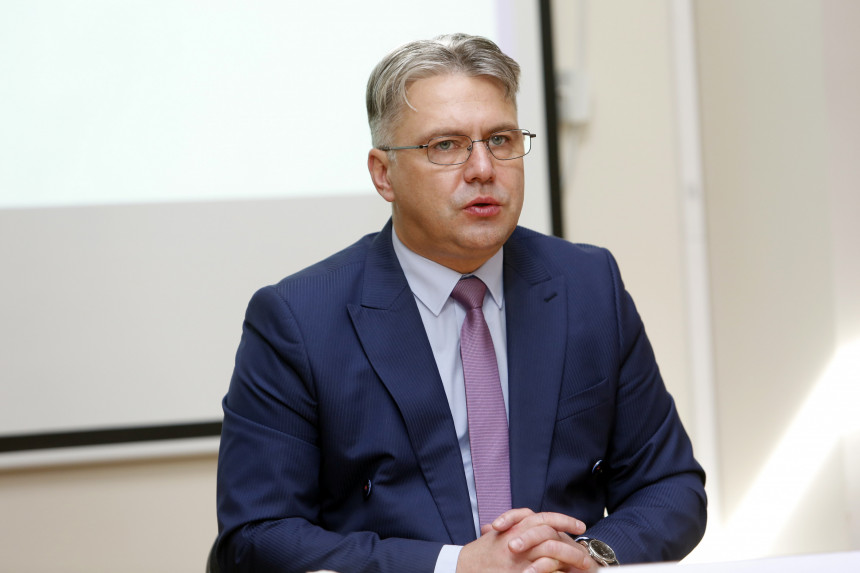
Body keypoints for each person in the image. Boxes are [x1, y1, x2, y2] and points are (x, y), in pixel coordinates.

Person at [215, 33, 706, 573]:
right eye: (446, 145)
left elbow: (670, 486)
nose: (483, 169)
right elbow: (255, 538)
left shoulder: (588, 285)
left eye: (500, 139)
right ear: (383, 174)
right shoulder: (298, 319)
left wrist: (586, 556)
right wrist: (456, 566)